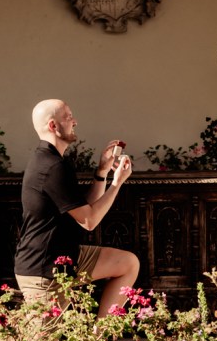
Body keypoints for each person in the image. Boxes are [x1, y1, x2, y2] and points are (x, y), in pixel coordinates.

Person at [14, 98, 140, 317]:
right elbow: (89, 221)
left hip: (67, 258)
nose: (75, 122)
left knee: (128, 263)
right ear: (53, 126)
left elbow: (84, 209)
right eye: (68, 117)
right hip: (43, 270)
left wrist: (102, 172)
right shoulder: (52, 166)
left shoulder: (52, 160)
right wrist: (117, 183)